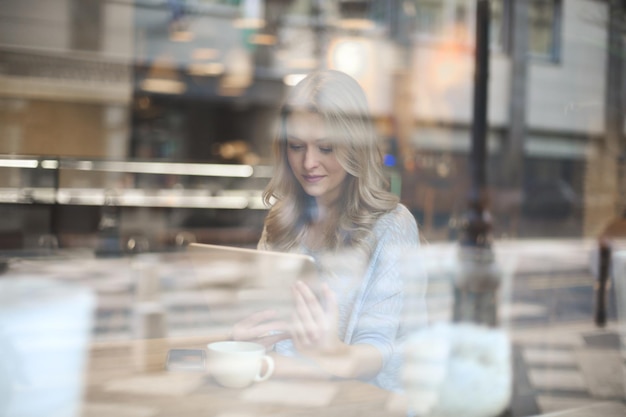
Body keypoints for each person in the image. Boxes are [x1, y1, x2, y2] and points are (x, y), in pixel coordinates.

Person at [232, 69, 420, 392]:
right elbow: (269, 323)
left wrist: (332, 352)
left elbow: (378, 350)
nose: (308, 163)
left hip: (367, 408)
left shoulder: (393, 226)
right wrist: (246, 342)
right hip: (290, 397)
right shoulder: (281, 220)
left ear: (355, 148)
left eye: (327, 148)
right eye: (296, 146)